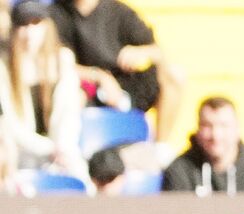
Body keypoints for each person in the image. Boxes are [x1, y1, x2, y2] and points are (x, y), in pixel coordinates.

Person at [48, 0, 185, 148]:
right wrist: (100, 77)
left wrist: (141, 52)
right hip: (88, 87)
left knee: (174, 75)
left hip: (127, 85)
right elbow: (52, 64)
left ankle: (160, 149)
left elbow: (158, 52)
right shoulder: (55, 14)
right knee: (69, 92)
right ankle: (65, 152)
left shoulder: (119, 11)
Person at [0, 0, 86, 178]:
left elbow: (69, 115)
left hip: (62, 154)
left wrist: (61, 149)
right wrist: (48, 148)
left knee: (79, 177)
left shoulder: (63, 61)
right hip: (22, 155)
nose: (29, 32)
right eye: (23, 25)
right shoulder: (4, 69)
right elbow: (9, 123)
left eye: (36, 23)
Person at [162, 96, 244, 194]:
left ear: (237, 129)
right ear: (198, 130)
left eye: (224, 126)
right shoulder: (180, 170)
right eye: (207, 126)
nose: (216, 135)